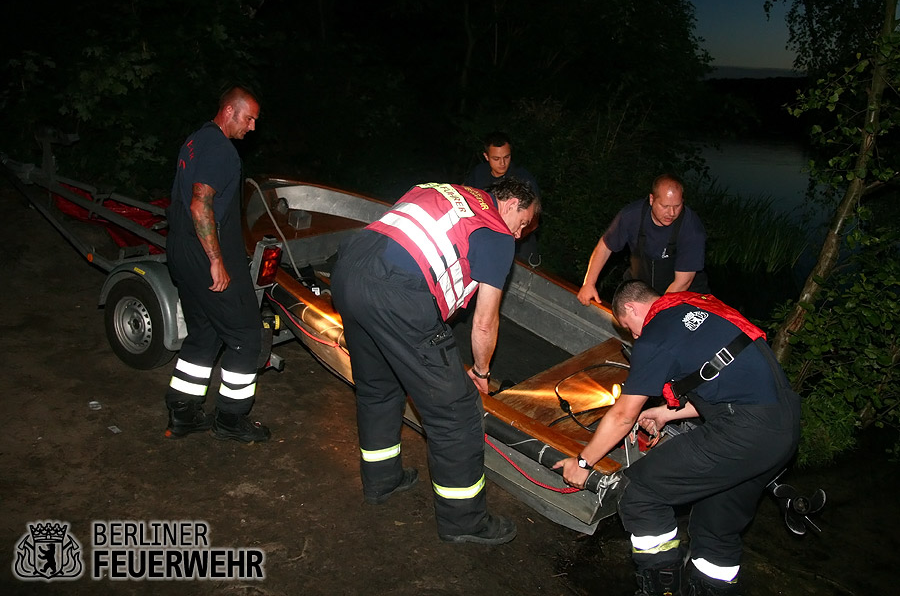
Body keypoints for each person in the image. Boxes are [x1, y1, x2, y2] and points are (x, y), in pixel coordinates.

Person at [556, 280, 800, 595]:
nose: (634, 336)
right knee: (716, 527)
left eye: (629, 328)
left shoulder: (655, 336)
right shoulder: (702, 307)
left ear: (631, 308)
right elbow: (726, 382)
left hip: (744, 432)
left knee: (640, 493)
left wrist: (583, 462)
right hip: (783, 427)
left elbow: (623, 415)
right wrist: (666, 413)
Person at [331, 178, 540, 545]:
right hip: (398, 294)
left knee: (379, 388)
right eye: (522, 223)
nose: (520, 234)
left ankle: (382, 480)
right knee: (456, 413)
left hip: (349, 268)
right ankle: (464, 521)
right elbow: (485, 321)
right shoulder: (495, 232)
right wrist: (481, 372)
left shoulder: (441, 190)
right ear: (510, 205)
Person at [163, 86, 271, 443]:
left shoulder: (195, 140)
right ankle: (231, 419)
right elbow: (200, 204)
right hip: (203, 253)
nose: (252, 127)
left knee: (205, 332)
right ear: (228, 111)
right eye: (248, 118)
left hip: (179, 247)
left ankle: (183, 412)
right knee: (245, 336)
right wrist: (216, 261)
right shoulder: (221, 149)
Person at [577, 173, 708, 305]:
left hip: (682, 294)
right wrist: (589, 283)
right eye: (665, 206)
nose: (672, 213)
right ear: (651, 199)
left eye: (677, 206)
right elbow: (605, 247)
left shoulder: (691, 228)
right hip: (640, 288)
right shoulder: (632, 215)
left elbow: (683, 282)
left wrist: (656, 309)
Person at [464, 131, 542, 266]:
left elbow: (535, 220)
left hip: (519, 250)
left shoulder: (524, 179)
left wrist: (513, 237)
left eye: (507, 157)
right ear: (486, 156)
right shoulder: (479, 172)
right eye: (496, 158)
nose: (502, 163)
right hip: (482, 244)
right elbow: (464, 195)